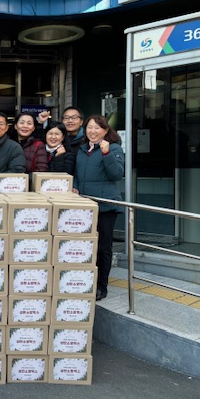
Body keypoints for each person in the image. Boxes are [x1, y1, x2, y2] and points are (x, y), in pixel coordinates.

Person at [73, 115, 124, 301]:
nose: (92, 131)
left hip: (105, 206)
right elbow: (77, 173)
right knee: (86, 246)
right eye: (89, 127)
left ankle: (101, 286)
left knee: (103, 247)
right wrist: (75, 186)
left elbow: (117, 174)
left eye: (97, 128)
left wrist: (106, 153)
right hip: (85, 205)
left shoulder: (114, 148)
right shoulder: (82, 149)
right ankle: (86, 282)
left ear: (105, 130)